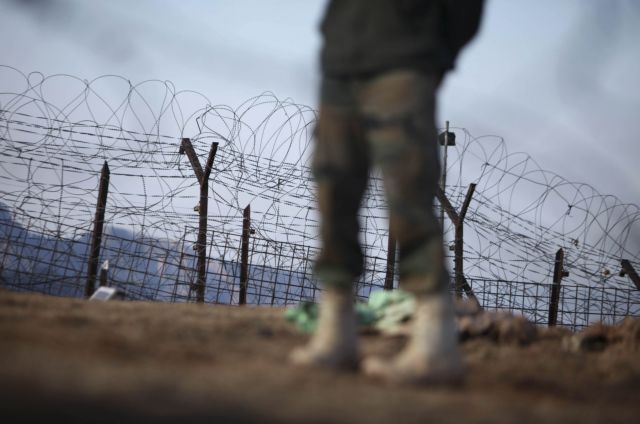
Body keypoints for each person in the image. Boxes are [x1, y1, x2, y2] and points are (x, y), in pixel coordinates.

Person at [290, 0, 484, 385]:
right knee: (332, 188)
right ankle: (336, 329)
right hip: (341, 61)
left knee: (408, 191)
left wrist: (433, 56)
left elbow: (466, 10)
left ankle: (434, 344)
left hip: (404, 60)